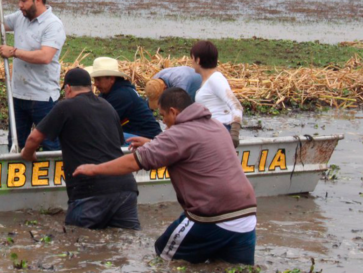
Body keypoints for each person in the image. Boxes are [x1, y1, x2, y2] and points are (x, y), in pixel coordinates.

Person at [74, 88, 257, 265]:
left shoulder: (178, 133)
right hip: (246, 216)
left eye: (163, 116)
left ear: (173, 112)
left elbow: (133, 162)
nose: (163, 123)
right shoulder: (215, 125)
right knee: (229, 268)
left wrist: (95, 169)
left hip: (211, 216)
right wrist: (154, 143)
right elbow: (187, 146)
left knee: (163, 257)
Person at [21, 68, 139, 230]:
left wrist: (28, 154)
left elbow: (34, 138)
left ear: (68, 88)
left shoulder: (65, 107)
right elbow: (117, 143)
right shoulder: (108, 107)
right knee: (125, 243)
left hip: (90, 192)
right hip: (126, 189)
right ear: (90, 87)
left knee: (76, 242)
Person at [0, 0, 66, 151]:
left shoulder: (53, 25)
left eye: (24, 1)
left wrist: (14, 52)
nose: (20, 5)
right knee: (16, 145)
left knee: (51, 145)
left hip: (43, 97)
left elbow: (45, 56)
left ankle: (56, 178)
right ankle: (17, 177)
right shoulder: (20, 18)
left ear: (37, 0)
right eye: (19, 0)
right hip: (18, 95)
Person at [87, 57, 162, 141]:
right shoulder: (112, 92)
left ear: (111, 79)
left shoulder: (121, 95)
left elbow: (99, 122)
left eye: (98, 80)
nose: (95, 84)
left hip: (147, 138)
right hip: (135, 134)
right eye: (94, 80)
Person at [190, 40, 244, 147]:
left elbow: (237, 106)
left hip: (218, 131)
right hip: (210, 131)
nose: (190, 62)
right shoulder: (207, 80)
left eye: (192, 58)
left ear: (198, 60)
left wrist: (234, 135)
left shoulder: (216, 79)